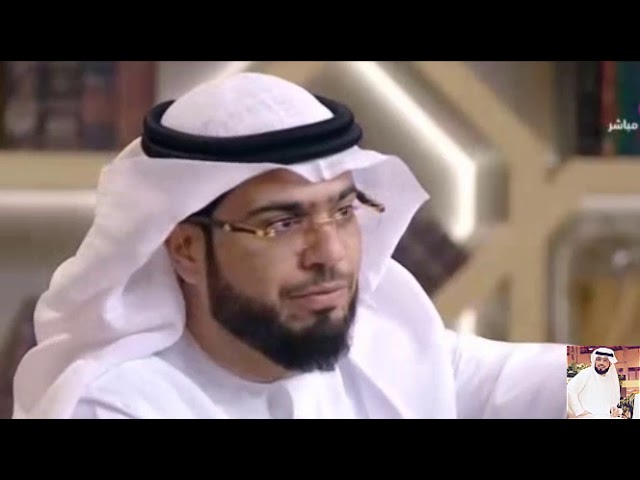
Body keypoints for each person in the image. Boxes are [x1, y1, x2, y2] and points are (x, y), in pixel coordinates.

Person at [11, 72, 567, 419]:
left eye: (343, 211)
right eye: (281, 223)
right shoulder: (118, 406)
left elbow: (521, 385)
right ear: (185, 249)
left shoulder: (382, 344)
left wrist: (615, 386)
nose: (330, 254)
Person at [566, 347, 622, 419]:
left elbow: (610, 402)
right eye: (598, 359)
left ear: (610, 363)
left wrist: (613, 408)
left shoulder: (611, 379)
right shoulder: (586, 373)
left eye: (605, 360)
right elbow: (570, 390)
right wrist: (579, 411)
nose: (601, 363)